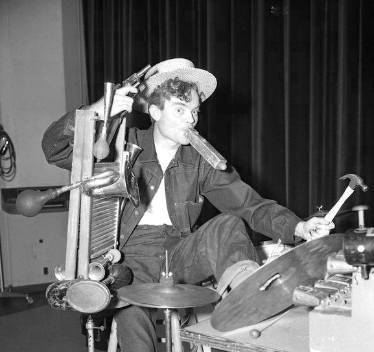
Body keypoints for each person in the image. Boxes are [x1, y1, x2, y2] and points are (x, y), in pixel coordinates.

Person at [42, 58, 334, 351]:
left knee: (230, 224)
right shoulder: (119, 145)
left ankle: (249, 300)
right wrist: (98, 109)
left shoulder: (201, 160)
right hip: (126, 260)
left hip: (178, 255)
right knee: (130, 313)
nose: (191, 120)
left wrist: (298, 225)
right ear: (155, 112)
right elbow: (55, 149)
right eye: (180, 110)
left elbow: (249, 205)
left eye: (194, 111)